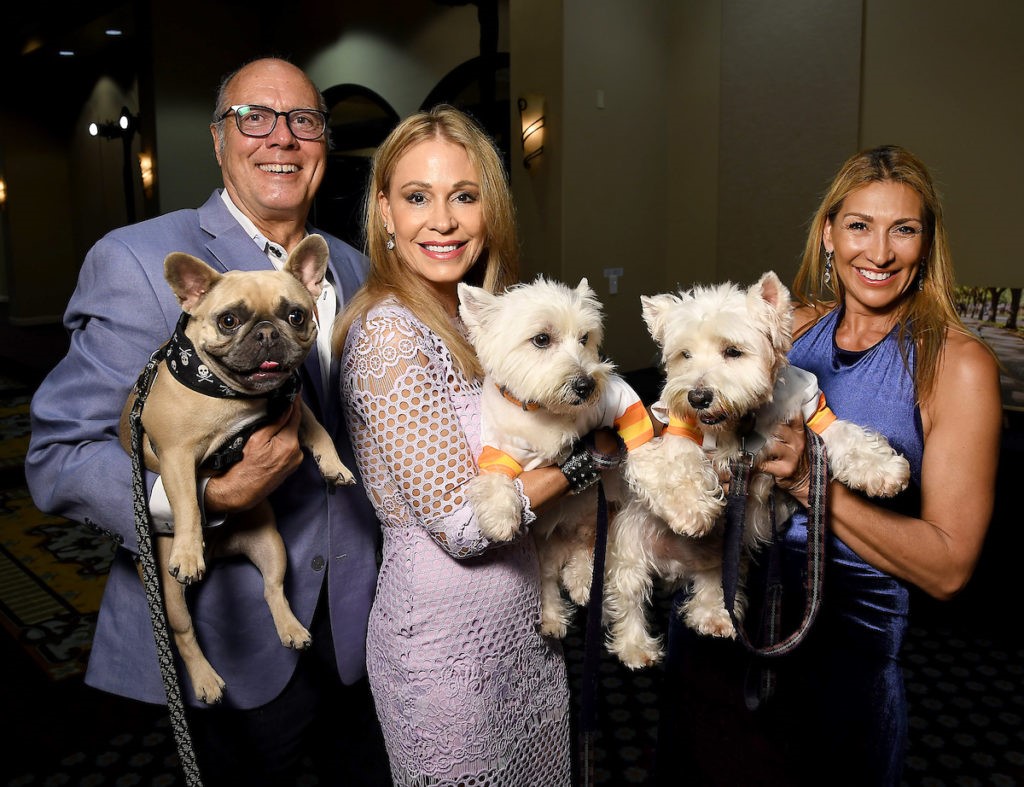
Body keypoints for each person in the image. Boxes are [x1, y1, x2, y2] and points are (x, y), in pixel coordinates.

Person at [26, 57, 390, 786]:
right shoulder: (136, 260)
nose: (282, 138)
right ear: (219, 140)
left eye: (304, 120)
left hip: (363, 624)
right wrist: (205, 498)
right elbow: (57, 455)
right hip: (230, 631)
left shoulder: (354, 267)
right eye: (255, 118)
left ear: (324, 143)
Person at [658, 144, 1002, 787]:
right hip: (720, 634)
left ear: (927, 244)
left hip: (842, 665)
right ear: (829, 234)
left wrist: (808, 482)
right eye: (859, 226)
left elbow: (950, 568)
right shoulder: (786, 327)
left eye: (904, 229)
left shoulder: (958, 366)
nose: (879, 252)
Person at [333, 105, 590, 786]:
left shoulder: (480, 320)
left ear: (490, 210)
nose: (442, 220)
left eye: (464, 196)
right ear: (385, 212)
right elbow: (465, 525)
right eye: (418, 197)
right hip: (444, 653)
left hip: (522, 630)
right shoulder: (390, 333)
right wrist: (588, 456)